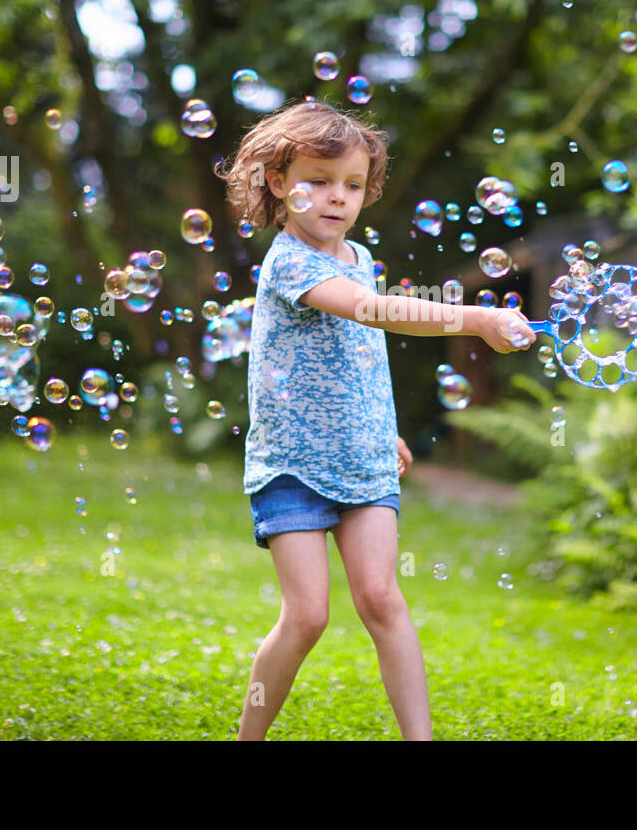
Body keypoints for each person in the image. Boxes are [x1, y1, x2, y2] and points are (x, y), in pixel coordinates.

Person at [215, 97, 535, 740]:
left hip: (362, 459)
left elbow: (354, 356)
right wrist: (476, 319)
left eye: (353, 185)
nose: (337, 198)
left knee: (383, 599)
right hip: (293, 464)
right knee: (306, 616)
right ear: (277, 183)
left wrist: (376, 428)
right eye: (318, 181)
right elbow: (369, 313)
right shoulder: (289, 262)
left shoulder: (358, 257)